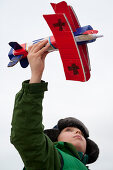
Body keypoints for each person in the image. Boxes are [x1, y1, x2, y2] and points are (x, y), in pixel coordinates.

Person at [10, 39, 99, 170]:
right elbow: (26, 133)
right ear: (56, 139)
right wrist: (36, 75)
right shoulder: (50, 158)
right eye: (68, 130)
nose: (78, 132)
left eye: (81, 133)